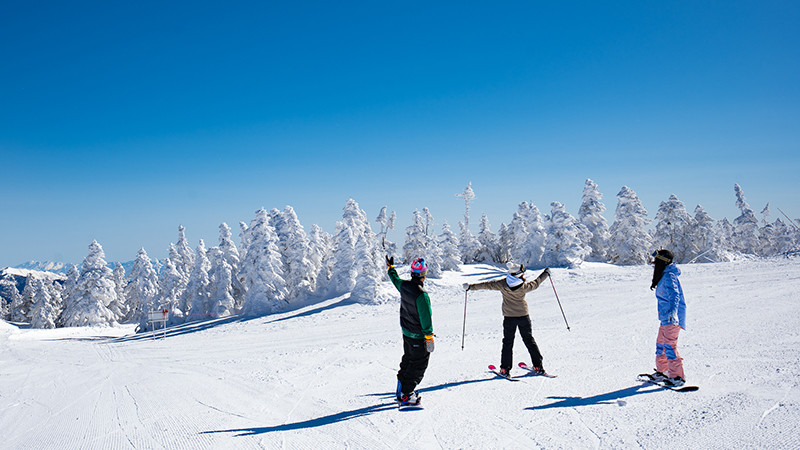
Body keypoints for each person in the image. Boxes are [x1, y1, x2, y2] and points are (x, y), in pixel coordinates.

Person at [464, 262, 550, 376]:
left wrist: (470, 287)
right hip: (524, 316)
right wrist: (545, 273)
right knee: (529, 340)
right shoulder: (524, 286)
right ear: (519, 275)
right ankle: (538, 366)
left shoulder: (502, 283)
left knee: (508, 343)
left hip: (509, 318)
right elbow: (536, 283)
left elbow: (487, 285)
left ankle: (505, 369)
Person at [387, 255, 434, 406]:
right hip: (418, 336)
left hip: (406, 333)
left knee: (408, 359)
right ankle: (406, 394)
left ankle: (401, 386)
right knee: (418, 364)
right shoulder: (422, 295)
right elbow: (426, 319)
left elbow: (395, 280)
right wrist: (429, 338)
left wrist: (390, 268)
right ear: (424, 274)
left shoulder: (404, 286)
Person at [648, 249, 687, 386]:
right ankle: (663, 371)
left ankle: (677, 377)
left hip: (672, 318)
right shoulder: (664, 275)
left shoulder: (669, 276)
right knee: (661, 344)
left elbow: (675, 295)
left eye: (656, 261)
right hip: (666, 317)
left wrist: (673, 313)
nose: (654, 265)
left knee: (669, 345)